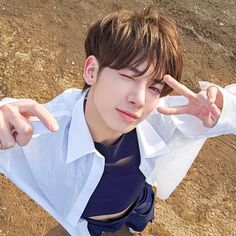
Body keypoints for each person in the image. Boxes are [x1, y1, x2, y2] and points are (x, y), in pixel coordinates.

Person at [0, 7, 235, 236]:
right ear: (92, 71)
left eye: (154, 87)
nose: (140, 100)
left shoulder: (159, 118)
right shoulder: (42, 136)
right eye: (128, 76)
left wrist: (222, 108)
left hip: (139, 205)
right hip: (88, 224)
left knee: (138, 223)